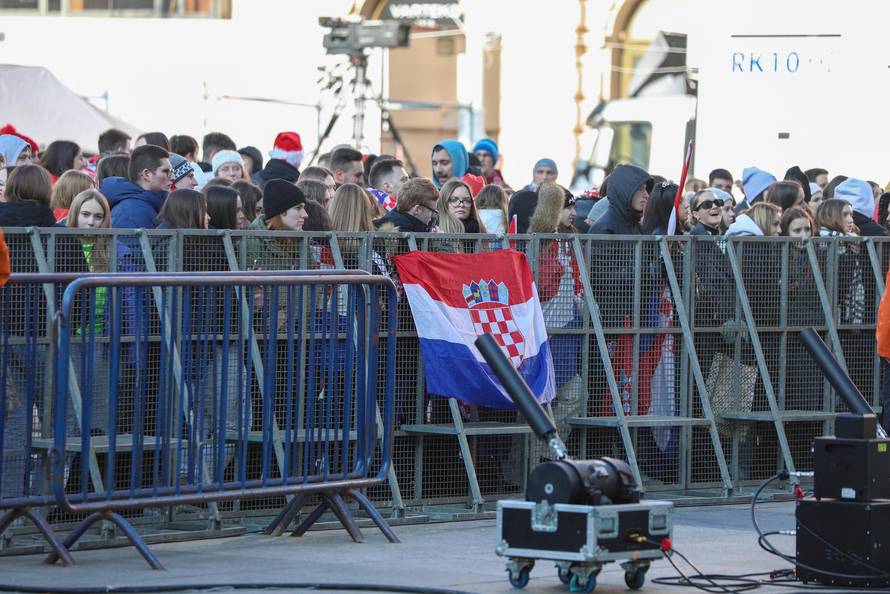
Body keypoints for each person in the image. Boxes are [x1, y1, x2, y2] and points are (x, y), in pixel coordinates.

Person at [104, 144, 171, 229]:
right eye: (166, 171)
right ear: (147, 174)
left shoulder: (145, 205)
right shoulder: (132, 212)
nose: (172, 177)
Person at [588, 164, 652, 235]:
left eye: (646, 189)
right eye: (640, 189)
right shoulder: (604, 229)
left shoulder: (637, 227)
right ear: (624, 191)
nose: (647, 195)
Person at [373, 177, 439, 233]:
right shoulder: (405, 233)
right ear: (417, 210)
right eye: (432, 211)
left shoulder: (393, 220)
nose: (431, 218)